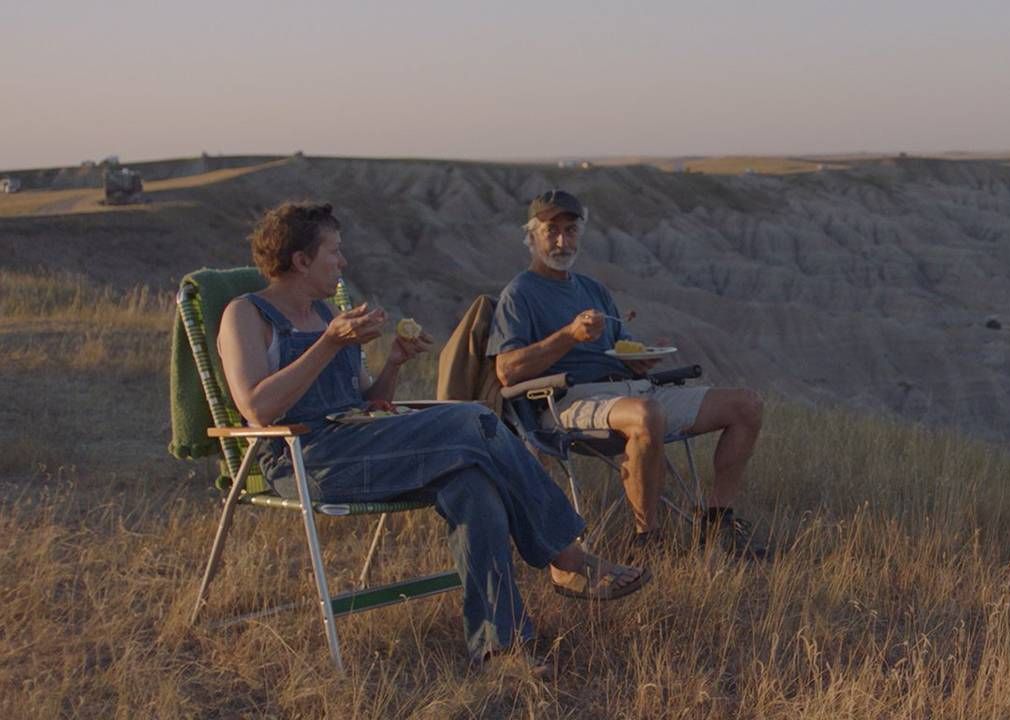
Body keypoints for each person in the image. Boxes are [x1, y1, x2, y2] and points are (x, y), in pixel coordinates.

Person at [217, 201, 648, 671]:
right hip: (307, 458)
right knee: (473, 418)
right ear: (301, 260)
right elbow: (257, 408)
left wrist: (394, 363)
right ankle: (565, 554)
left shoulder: (324, 315)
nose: (342, 263)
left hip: (361, 443)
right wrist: (329, 344)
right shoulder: (247, 315)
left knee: (473, 486)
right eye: (334, 252)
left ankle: (498, 648)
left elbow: (366, 401)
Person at [487, 190, 767, 559]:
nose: (561, 240)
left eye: (570, 230)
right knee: (646, 413)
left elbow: (622, 347)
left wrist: (641, 358)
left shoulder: (593, 290)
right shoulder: (519, 293)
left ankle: (716, 522)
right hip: (565, 401)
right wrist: (569, 336)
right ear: (532, 236)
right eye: (551, 230)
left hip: (631, 389)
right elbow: (507, 371)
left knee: (746, 405)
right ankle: (647, 541)